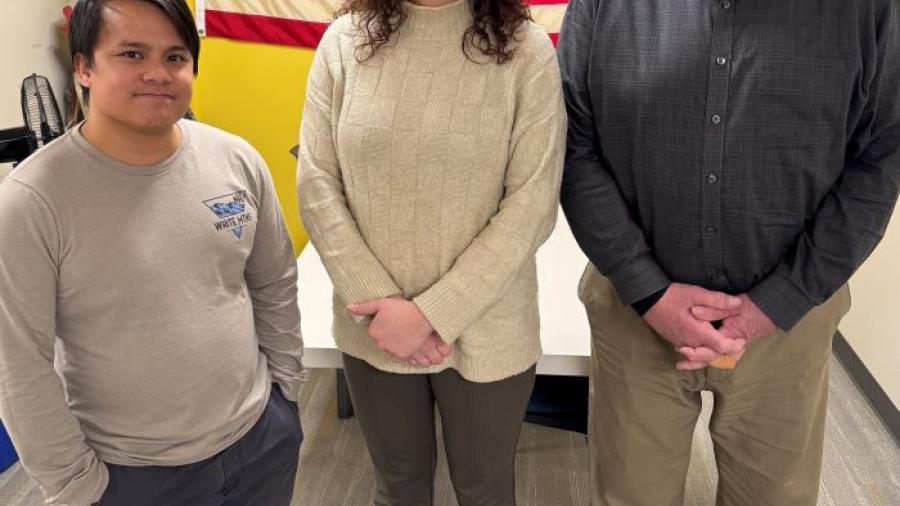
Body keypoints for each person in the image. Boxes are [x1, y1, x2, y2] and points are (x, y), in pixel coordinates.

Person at [557, 0, 900, 504]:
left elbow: (883, 153)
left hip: (788, 327)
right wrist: (648, 290)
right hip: (635, 317)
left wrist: (778, 301)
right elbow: (572, 142)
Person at [0, 1, 305, 504]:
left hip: (260, 440)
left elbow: (273, 281)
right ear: (83, 67)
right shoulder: (32, 201)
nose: (157, 74)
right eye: (132, 53)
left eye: (175, 57)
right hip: (132, 475)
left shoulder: (235, 159)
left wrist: (286, 393)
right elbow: (18, 363)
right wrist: (76, 485)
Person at [297, 0, 566, 503]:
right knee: (398, 488)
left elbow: (532, 205)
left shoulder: (527, 53)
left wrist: (433, 314)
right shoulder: (342, 43)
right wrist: (380, 304)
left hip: (487, 325)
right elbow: (315, 184)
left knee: (484, 491)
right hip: (373, 324)